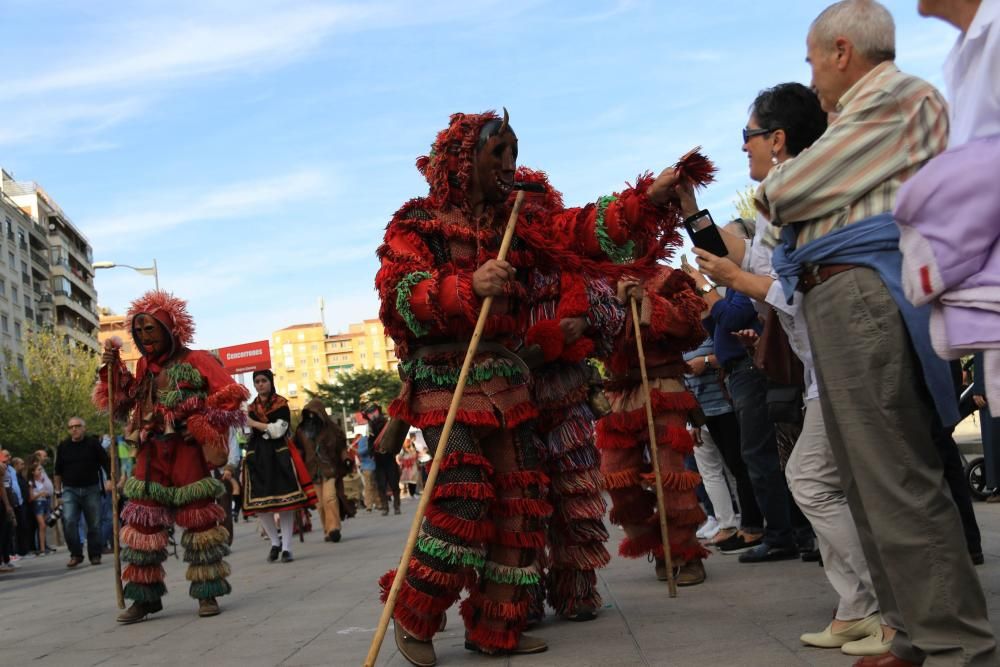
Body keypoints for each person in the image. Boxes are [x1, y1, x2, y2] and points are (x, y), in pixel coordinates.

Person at [375, 109, 690, 665]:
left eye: (514, 154)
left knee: (522, 501)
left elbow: (576, 229)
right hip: (449, 380)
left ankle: (496, 627)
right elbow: (400, 293)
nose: (508, 165)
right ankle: (415, 617)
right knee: (463, 500)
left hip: (507, 379)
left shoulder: (517, 222)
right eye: (497, 153)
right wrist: (463, 285)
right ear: (461, 160)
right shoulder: (417, 223)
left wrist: (645, 199)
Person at [755, 2, 996, 664]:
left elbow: (787, 194)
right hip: (835, 291)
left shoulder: (899, 96)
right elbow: (789, 203)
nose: (809, 75)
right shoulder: (852, 116)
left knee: (894, 473)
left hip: (864, 288)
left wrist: (786, 183)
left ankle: (955, 642)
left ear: (840, 51)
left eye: (810, 59)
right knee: (865, 480)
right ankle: (909, 630)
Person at [687, 81, 890, 656]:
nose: (743, 149)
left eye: (747, 137)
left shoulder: (800, 192)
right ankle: (860, 607)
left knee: (816, 480)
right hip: (824, 372)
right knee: (829, 482)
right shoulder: (781, 197)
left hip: (844, 365)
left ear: (777, 140)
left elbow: (799, 287)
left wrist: (737, 283)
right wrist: (689, 212)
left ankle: (873, 606)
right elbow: (745, 257)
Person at [96, 290, 249, 623]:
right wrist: (110, 372)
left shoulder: (198, 359)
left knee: (200, 523)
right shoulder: (142, 367)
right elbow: (124, 404)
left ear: (170, 329)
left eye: (150, 329)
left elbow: (232, 396)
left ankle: (208, 594)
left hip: (187, 451)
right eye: (139, 332)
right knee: (141, 525)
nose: (144, 337)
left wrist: (195, 418)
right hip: (151, 455)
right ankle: (144, 599)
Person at [242, 369, 317, 563]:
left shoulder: (281, 404)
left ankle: (287, 548)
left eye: (263, 381)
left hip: (280, 455)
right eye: (257, 381)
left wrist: (254, 424)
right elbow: (244, 429)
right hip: (257, 456)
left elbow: (278, 430)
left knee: (286, 504)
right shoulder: (250, 407)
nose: (260, 384)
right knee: (261, 505)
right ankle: (275, 542)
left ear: (270, 382)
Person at [295, 398, 356, 543]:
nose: (311, 416)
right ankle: (327, 530)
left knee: (330, 498)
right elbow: (297, 448)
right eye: (308, 413)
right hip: (312, 471)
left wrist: (346, 458)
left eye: (314, 413)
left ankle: (334, 528)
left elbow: (341, 448)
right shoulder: (301, 431)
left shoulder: (332, 430)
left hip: (329, 469)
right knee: (320, 504)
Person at [53, 417, 109, 568]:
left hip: (91, 488)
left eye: (77, 426)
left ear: (84, 428)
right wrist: (58, 493)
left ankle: (95, 554)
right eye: (71, 427)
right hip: (70, 490)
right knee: (69, 521)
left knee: (94, 524)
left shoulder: (93, 443)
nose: (74, 429)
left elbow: (106, 461)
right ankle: (76, 554)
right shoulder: (63, 446)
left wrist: (110, 479)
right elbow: (57, 472)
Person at [363, 404, 400, 516]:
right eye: (370, 413)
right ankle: (385, 507)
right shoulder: (369, 426)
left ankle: (397, 506)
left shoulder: (387, 422)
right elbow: (370, 441)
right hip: (378, 460)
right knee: (381, 485)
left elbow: (394, 437)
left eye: (374, 412)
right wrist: (371, 451)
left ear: (378, 411)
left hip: (389, 457)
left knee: (394, 484)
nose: (372, 415)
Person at [28, 463, 53, 555]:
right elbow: (30, 498)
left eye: (40, 469)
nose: (40, 471)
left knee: (44, 525)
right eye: (38, 470)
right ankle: (41, 548)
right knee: (41, 525)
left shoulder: (42, 480)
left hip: (45, 502)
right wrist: (39, 494)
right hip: (37, 503)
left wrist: (46, 494)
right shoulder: (31, 482)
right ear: (33, 472)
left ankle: (43, 547)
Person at [355, 433, 378, 512]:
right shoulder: (370, 443)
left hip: (366, 468)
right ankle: (377, 503)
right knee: (374, 486)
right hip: (372, 467)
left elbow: (360, 452)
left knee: (368, 486)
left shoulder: (361, 444)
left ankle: (369, 505)